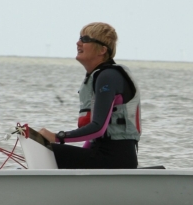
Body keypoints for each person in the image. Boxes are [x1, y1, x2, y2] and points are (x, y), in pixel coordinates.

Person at [39, 22, 141, 169]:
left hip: (115, 159)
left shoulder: (108, 76)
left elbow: (98, 128)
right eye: (79, 38)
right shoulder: (100, 76)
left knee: (46, 150)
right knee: (44, 148)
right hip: (105, 155)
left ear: (102, 50)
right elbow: (97, 136)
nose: (78, 43)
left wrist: (56, 137)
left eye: (85, 39)